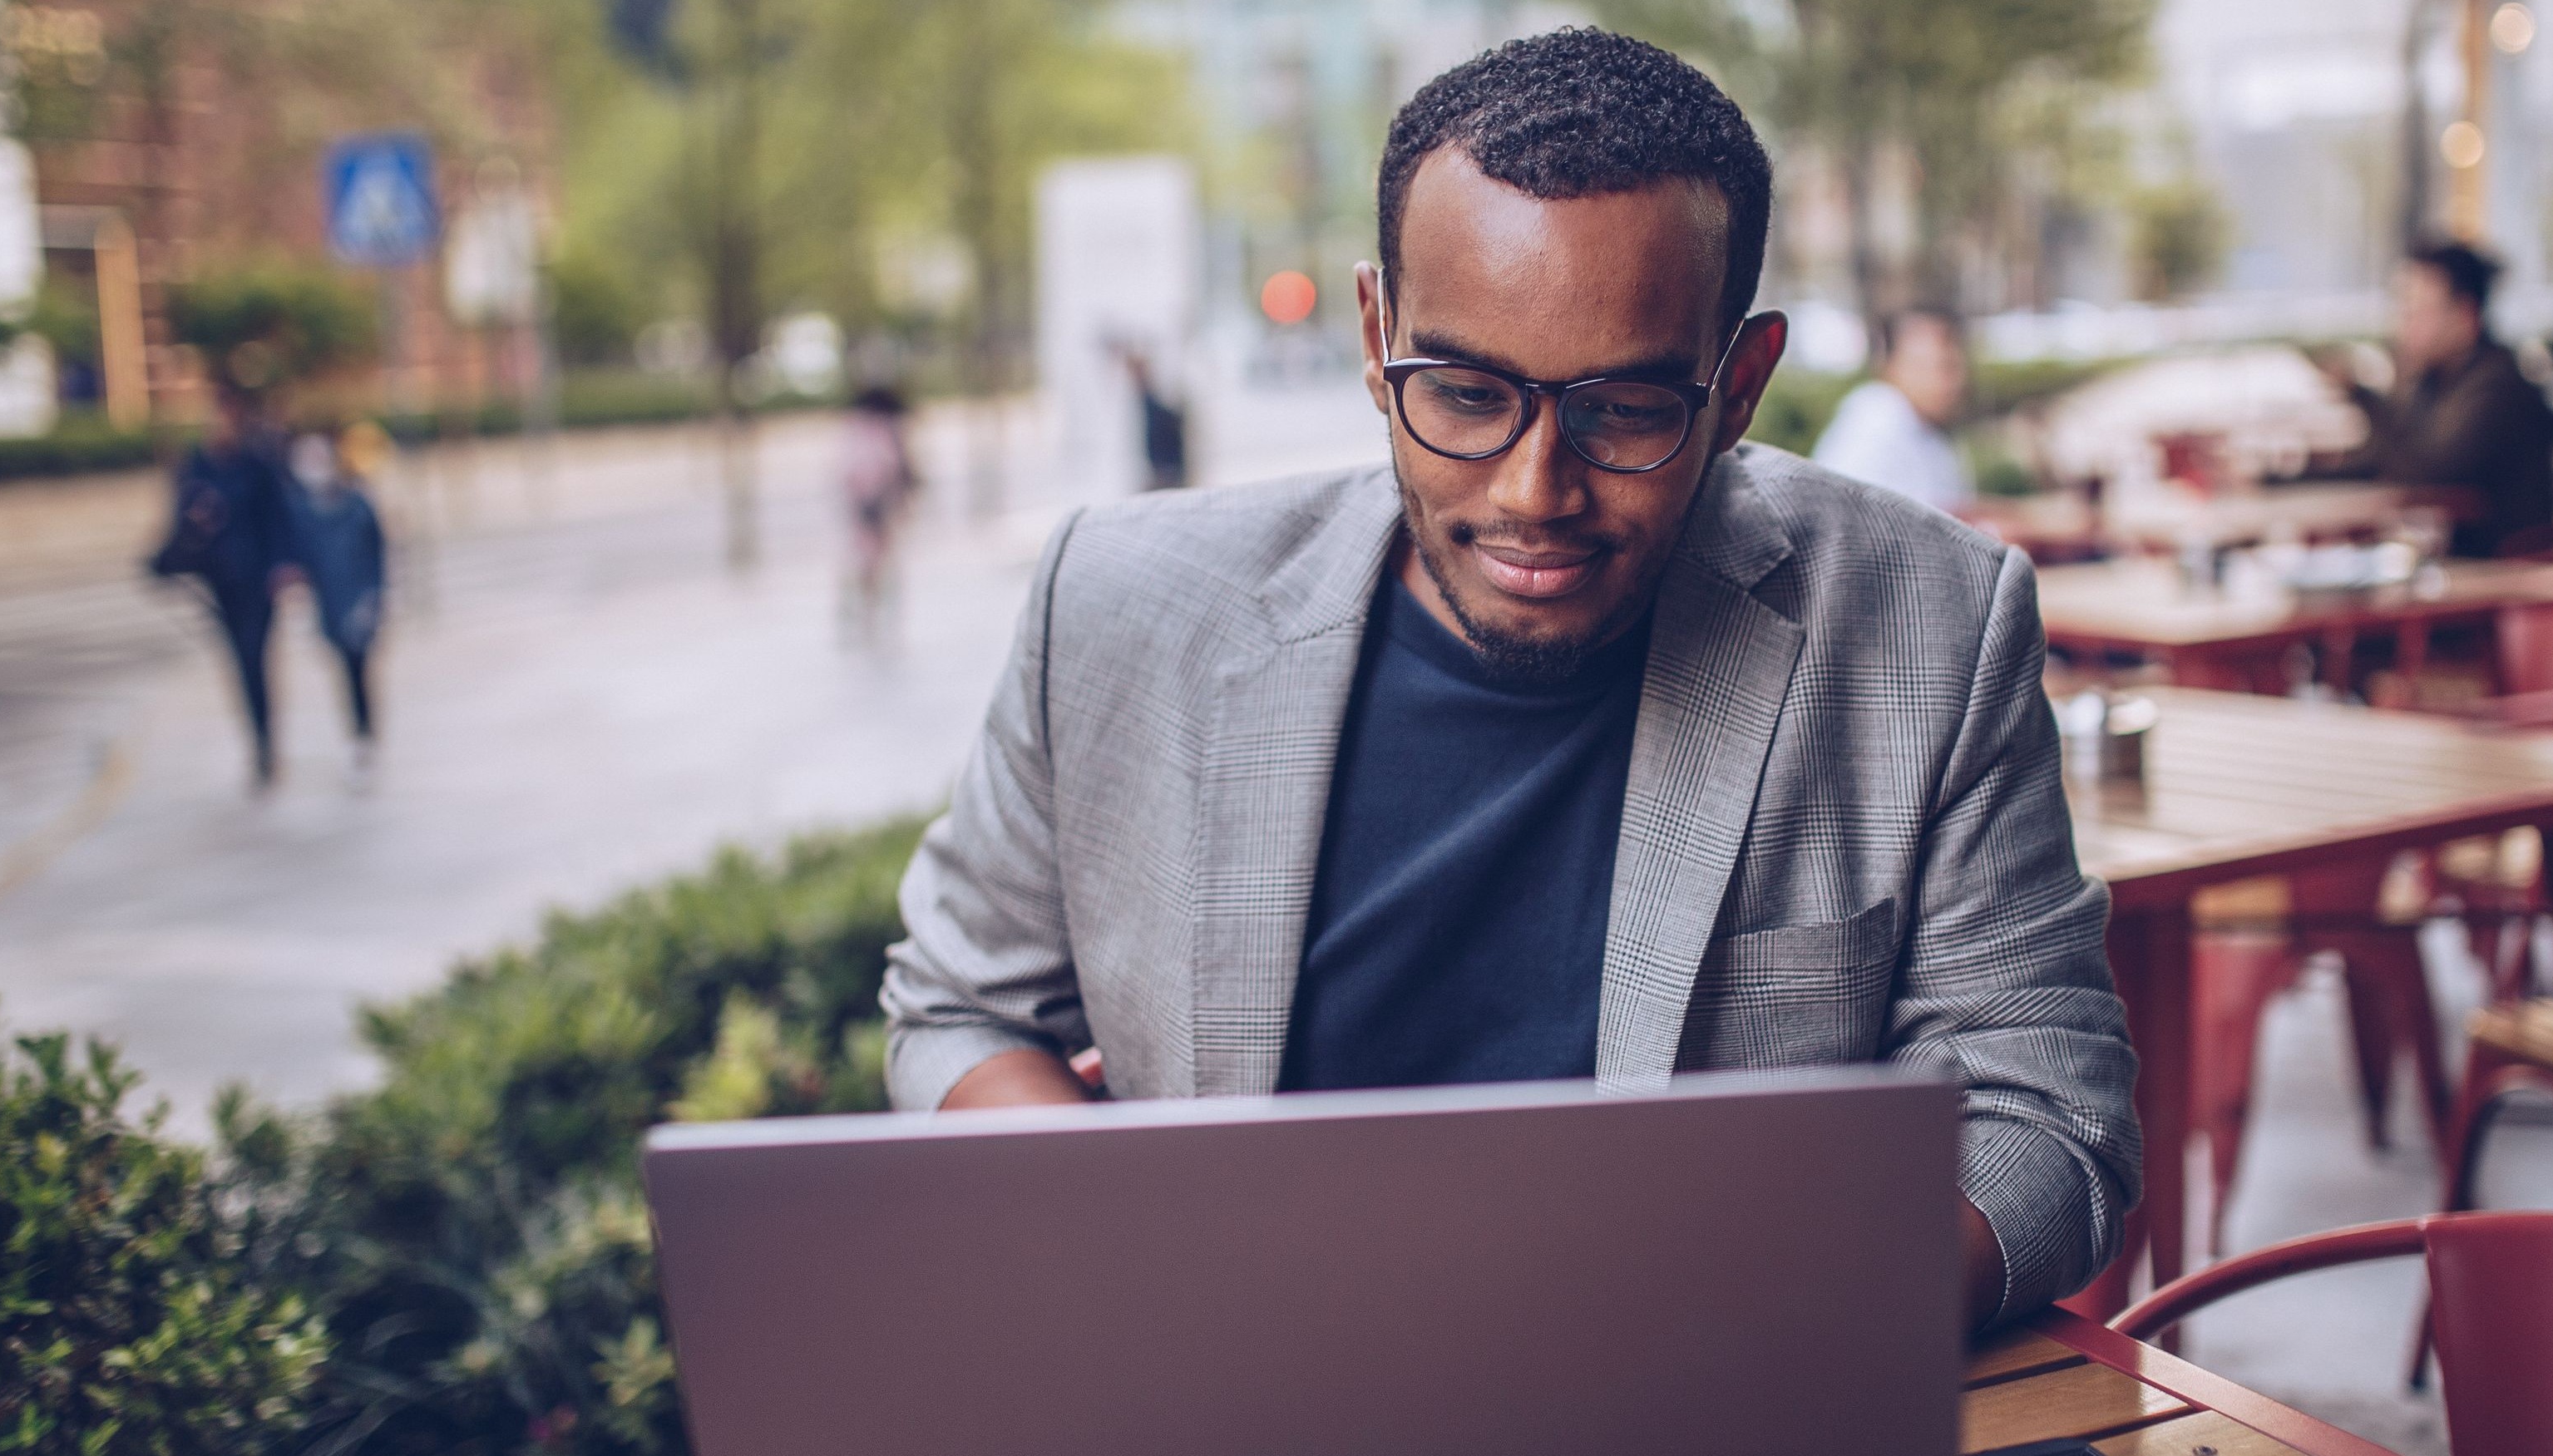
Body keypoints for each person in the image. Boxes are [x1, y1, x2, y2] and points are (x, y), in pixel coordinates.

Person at [881, 28, 2137, 1329]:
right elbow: (958, 1007)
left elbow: (2051, 1110)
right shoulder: (1119, 604)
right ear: (1377, 338)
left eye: (1625, 410)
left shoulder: (1926, 622)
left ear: (1741, 384)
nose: (1535, 492)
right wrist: (1140, 1222)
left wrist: (1771, 1319)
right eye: (1469, 393)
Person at [2315, 239, 2553, 557]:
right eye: (2403, 311)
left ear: (2465, 315)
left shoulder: (2496, 386)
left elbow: (2429, 475)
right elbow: (2380, 460)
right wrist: (2269, 480)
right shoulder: (2434, 380)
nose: (2405, 325)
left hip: (2507, 575)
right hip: (2453, 567)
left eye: (2419, 312)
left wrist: (2362, 395)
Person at [149, 378, 297, 789]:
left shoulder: (258, 464)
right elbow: (177, 520)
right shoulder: (196, 465)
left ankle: (266, 744)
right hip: (219, 584)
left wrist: (283, 567)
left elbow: (279, 520)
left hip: (256, 582)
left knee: (254, 659)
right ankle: (259, 740)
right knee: (240, 664)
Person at [285, 422, 389, 767]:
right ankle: (359, 734)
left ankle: (364, 734)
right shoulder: (302, 511)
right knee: (345, 670)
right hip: (329, 605)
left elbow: (378, 553)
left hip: (360, 601)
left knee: (358, 669)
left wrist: (376, 598)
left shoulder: (357, 504)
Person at [1810, 307, 1973, 513]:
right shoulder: (1875, 421)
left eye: (1956, 365)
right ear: (1890, 366)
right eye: (1939, 367)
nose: (1954, 382)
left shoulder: (1927, 425)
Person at [840, 385, 921, 639]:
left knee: (866, 562)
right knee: (875, 563)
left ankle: (867, 617)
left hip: (868, 507)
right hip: (874, 506)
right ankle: (870, 616)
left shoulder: (854, 430)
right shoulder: (880, 431)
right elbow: (893, 469)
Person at [1124, 350, 1188, 492]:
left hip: (1167, 473)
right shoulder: (1144, 402)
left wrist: (1165, 472)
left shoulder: (1157, 402)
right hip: (1159, 472)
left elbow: (1175, 427)